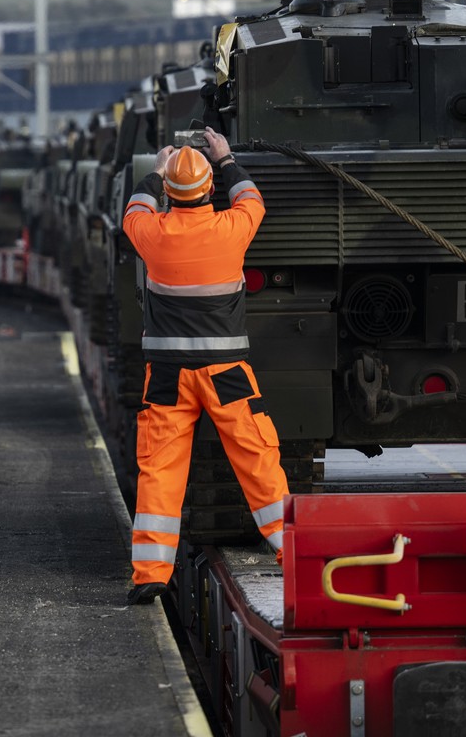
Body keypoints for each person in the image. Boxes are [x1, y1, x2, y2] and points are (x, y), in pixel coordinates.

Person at [121, 126, 289, 605]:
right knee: (256, 459)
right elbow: (252, 198)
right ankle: (290, 552)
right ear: (209, 190)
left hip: (169, 377)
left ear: (171, 194)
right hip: (226, 373)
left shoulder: (150, 233)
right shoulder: (232, 229)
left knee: (159, 468)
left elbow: (134, 208)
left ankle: (150, 573)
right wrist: (226, 156)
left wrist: (157, 172)